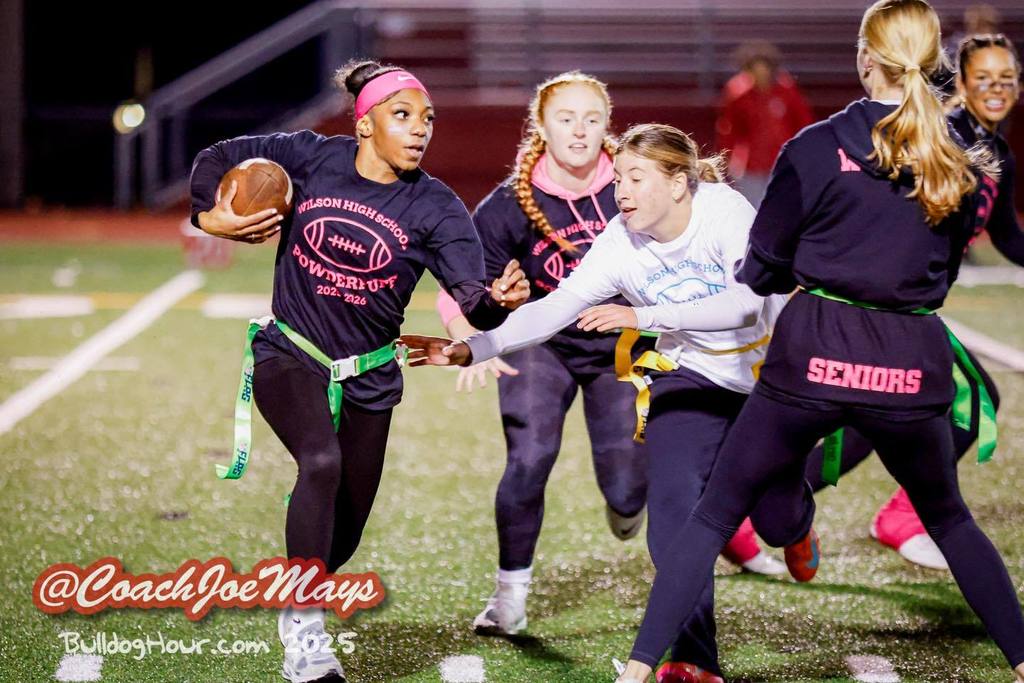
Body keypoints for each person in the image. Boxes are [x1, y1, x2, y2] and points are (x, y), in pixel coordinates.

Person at [612, 2, 1024, 681]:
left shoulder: (813, 147)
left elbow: (763, 266)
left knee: (714, 513)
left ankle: (635, 669)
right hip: (908, 363)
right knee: (950, 518)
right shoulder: (967, 155)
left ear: (866, 57)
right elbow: (946, 269)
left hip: (813, 356)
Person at [402, 122, 794, 683]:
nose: (622, 191)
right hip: (694, 378)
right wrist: (473, 347)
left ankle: (795, 517)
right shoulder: (620, 241)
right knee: (674, 523)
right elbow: (553, 308)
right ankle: (694, 660)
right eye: (619, 181)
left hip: (766, 382)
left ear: (679, 183)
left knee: (781, 522)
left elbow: (745, 308)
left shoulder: (726, 212)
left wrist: (643, 316)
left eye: (636, 178)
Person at [189, 59, 529, 683]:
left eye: (427, 119)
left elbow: (471, 293)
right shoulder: (310, 156)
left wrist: (498, 302)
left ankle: (302, 585)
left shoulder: (437, 205)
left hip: (371, 372)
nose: (420, 129)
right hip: (290, 352)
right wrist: (208, 217)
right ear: (366, 122)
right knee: (320, 462)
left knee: (343, 532)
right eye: (403, 115)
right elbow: (215, 157)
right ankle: (306, 632)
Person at [802, 33, 1023, 571]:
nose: (996, 89)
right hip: (878, 302)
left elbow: (1005, 235)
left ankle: (764, 504)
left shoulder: (996, 151)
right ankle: (893, 516)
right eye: (983, 79)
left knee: (882, 415)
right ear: (961, 84)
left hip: (909, 305)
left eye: (1007, 79)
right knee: (964, 403)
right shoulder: (937, 136)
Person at [715, 41, 814, 208]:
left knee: (782, 206)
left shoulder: (787, 90)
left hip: (782, 160)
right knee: (752, 208)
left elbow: (803, 123)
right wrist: (727, 158)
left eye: (765, 70)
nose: (761, 75)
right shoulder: (738, 93)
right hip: (750, 165)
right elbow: (728, 130)